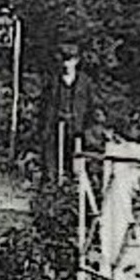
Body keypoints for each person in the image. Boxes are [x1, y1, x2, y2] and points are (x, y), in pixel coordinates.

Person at [42, 43, 95, 181]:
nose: (66, 64)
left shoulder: (85, 82)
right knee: (53, 154)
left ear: (76, 61)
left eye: (70, 60)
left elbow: (90, 105)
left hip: (77, 126)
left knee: (76, 156)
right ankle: (54, 181)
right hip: (57, 124)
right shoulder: (54, 81)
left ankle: (74, 184)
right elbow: (46, 103)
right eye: (64, 60)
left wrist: (86, 126)